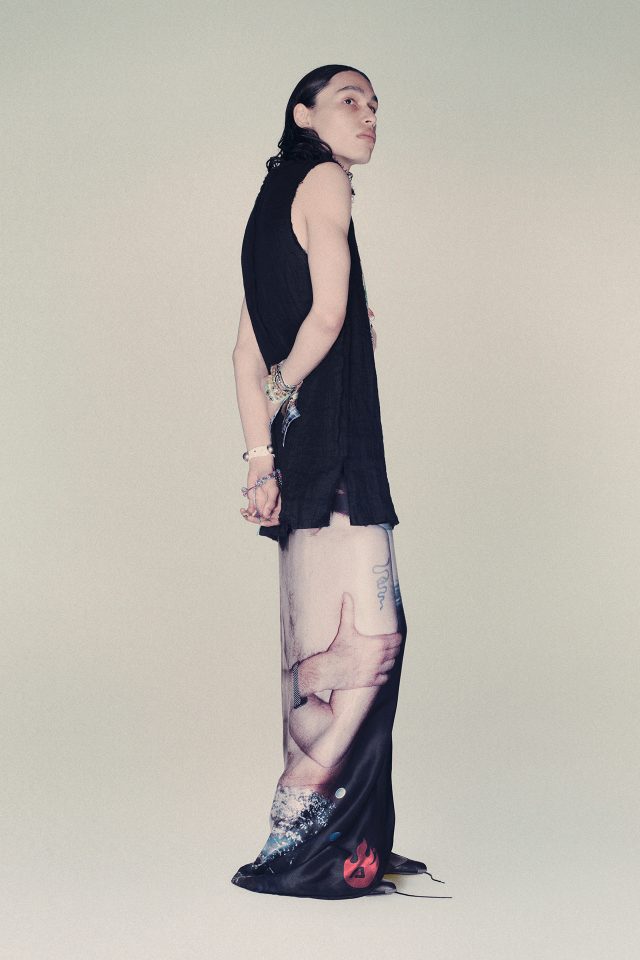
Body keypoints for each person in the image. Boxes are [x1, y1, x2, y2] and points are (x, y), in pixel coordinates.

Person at [230, 65, 444, 900]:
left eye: (376, 104)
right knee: (369, 647)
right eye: (349, 100)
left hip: (299, 455)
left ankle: (325, 840)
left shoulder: (266, 204)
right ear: (303, 114)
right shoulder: (324, 179)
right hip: (340, 444)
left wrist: (260, 457)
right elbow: (323, 317)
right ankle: (317, 851)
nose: (369, 114)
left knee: (316, 646)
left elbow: (242, 351)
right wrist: (293, 385)